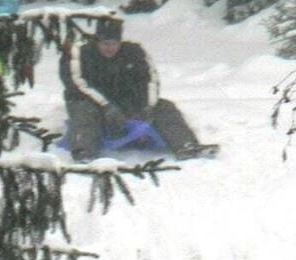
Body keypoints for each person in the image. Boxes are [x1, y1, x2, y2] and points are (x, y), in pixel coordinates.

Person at [59, 17, 203, 160]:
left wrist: (148, 106)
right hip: (89, 101)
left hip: (124, 102)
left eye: (114, 43)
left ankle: (186, 146)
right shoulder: (80, 54)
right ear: (97, 41)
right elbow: (76, 84)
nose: (110, 48)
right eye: (105, 43)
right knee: (84, 111)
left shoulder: (134, 52)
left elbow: (150, 80)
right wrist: (106, 106)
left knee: (164, 106)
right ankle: (84, 152)